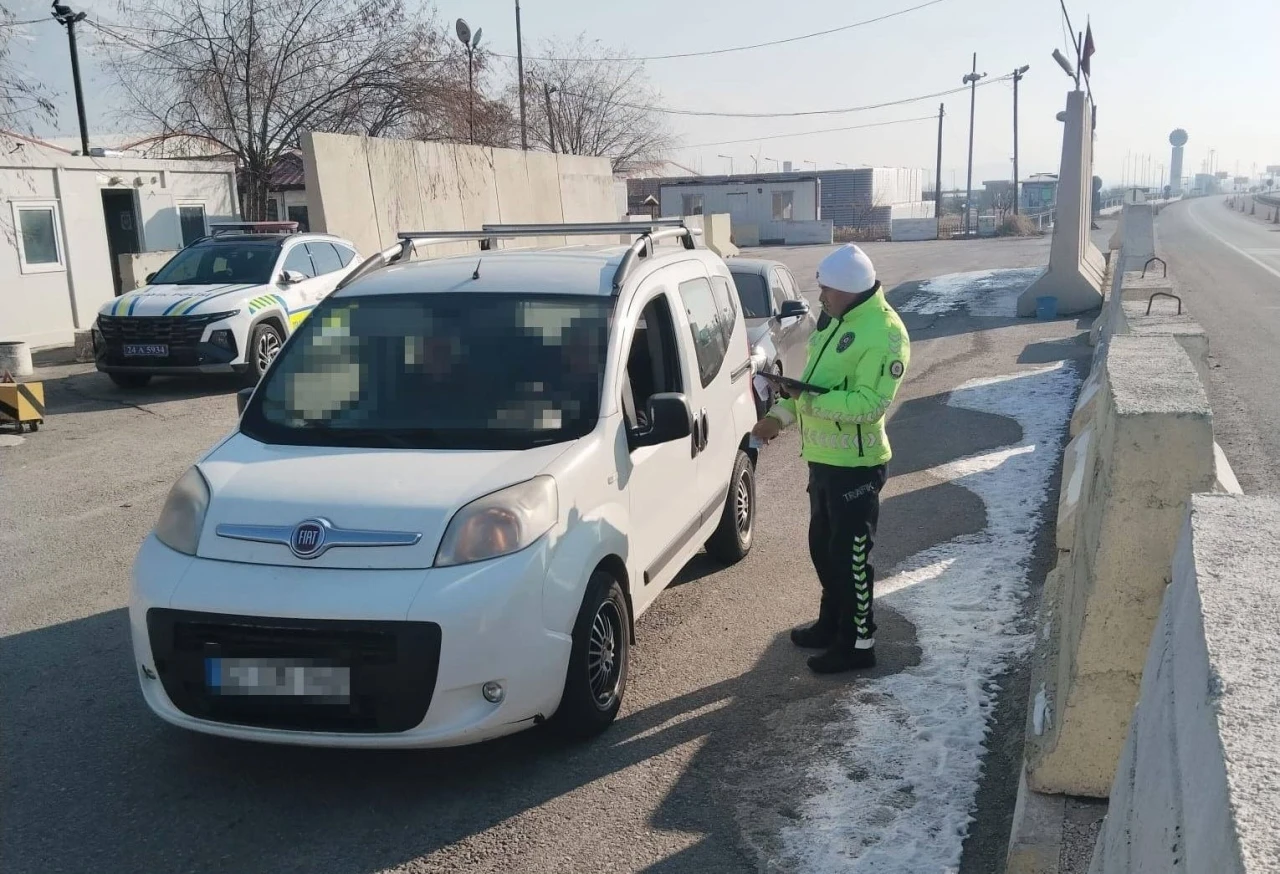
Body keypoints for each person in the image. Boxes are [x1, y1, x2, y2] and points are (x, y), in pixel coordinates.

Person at [750, 244, 911, 674]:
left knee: (851, 558)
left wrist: (804, 401)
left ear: (848, 289)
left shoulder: (885, 334)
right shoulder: (835, 321)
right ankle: (831, 624)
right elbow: (812, 387)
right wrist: (779, 417)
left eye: (826, 290)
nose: (820, 298)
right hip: (823, 462)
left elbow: (868, 404)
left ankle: (859, 643)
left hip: (856, 467)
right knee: (824, 549)